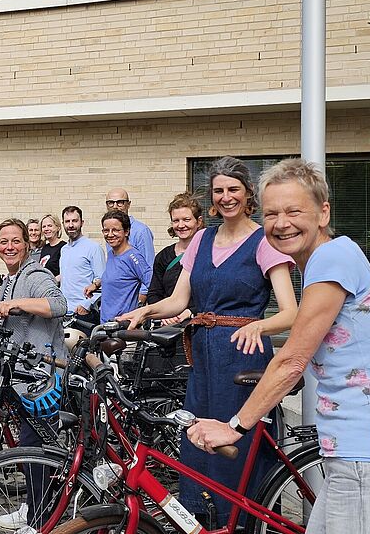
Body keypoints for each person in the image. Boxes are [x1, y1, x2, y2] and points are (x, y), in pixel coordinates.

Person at [186, 158, 370, 534]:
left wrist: (234, 427)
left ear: (323, 213)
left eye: (294, 211)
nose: (282, 223)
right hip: (354, 450)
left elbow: (291, 361)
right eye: (271, 214)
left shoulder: (330, 259)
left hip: (369, 455)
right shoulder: (335, 255)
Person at [118, 157, 298, 527]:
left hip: (243, 357)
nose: (226, 197)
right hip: (202, 356)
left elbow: (291, 312)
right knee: (198, 438)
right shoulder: (201, 239)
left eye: (233, 189)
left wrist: (259, 328)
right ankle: (205, 523)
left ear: (248, 194)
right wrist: (144, 311)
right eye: (218, 190)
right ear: (211, 197)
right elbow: (179, 300)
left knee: (239, 444)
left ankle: (247, 523)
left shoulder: (264, 241)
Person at [0, 218, 67, 530]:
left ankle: (40, 521)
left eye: (15, 241)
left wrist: (15, 303)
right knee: (28, 445)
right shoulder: (11, 278)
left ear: (27, 245)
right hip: (24, 376)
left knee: (35, 450)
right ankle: (32, 506)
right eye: (3, 242)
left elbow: (58, 304)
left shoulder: (34, 274)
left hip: (43, 379)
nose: (9, 247)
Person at [145, 193, 205, 327]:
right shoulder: (163, 256)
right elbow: (154, 293)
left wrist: (191, 311)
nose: (181, 225)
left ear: (199, 221)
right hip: (168, 325)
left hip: (198, 323)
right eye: (176, 220)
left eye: (186, 219)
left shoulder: (208, 252)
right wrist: (163, 315)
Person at [84, 210, 151, 323]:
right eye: (106, 230)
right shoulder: (111, 253)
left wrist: (144, 312)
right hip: (106, 323)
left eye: (115, 230)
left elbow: (153, 284)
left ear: (126, 231)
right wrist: (96, 284)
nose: (110, 234)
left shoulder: (133, 257)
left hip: (123, 326)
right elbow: (117, 275)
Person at [58, 206, 106, 316]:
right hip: (64, 312)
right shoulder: (64, 249)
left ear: (82, 223)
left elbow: (103, 281)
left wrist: (87, 305)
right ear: (63, 224)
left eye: (75, 221)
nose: (71, 225)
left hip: (83, 313)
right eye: (67, 221)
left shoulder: (93, 248)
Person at [105, 188, 154, 260]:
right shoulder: (109, 232)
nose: (115, 206)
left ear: (128, 204)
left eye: (120, 202)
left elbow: (148, 263)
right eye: (111, 203)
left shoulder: (141, 231)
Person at [37, 214, 65, 279]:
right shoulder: (45, 248)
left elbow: (66, 271)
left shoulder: (64, 247)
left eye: (49, 226)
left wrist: (53, 281)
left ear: (58, 228)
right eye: (44, 226)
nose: (46, 229)